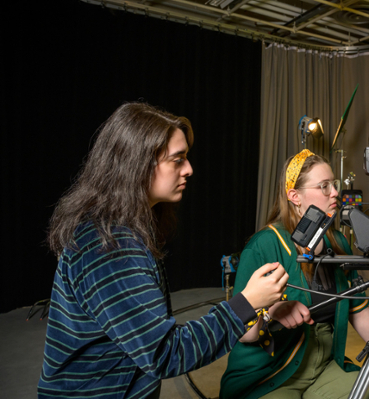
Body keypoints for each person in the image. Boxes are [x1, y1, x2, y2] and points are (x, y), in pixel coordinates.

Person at [38, 102, 289, 399]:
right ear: (137, 164)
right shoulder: (108, 244)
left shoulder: (123, 226)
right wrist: (246, 303)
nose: (189, 169)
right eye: (177, 159)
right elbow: (166, 353)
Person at [220, 149, 369, 399]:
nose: (335, 193)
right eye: (324, 186)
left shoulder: (337, 242)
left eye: (334, 184)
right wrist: (272, 311)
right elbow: (243, 333)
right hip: (268, 375)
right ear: (295, 196)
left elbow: (358, 312)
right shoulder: (265, 245)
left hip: (323, 366)